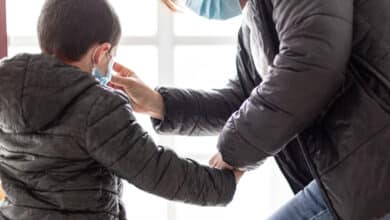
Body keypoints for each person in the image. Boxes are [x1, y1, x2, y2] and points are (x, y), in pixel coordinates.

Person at [110, 0, 390, 219]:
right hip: (363, 172)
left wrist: (233, 151)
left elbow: (311, 68)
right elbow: (244, 101)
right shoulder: (253, 29)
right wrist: (158, 103)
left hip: (373, 167)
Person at [0, 0, 244, 219]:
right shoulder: (97, 107)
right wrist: (223, 183)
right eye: (111, 57)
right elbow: (158, 172)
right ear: (101, 52)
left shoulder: (5, 87)